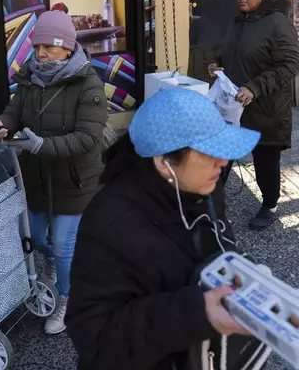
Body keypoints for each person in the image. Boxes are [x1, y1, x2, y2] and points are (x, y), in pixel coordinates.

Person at [66, 89, 271, 369]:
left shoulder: (205, 188)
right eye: (209, 151)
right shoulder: (109, 225)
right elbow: (96, 341)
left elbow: (218, 243)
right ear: (164, 163)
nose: (222, 162)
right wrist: (196, 313)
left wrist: (243, 274)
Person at [0, 10, 108, 335]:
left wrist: (41, 145)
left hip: (75, 181)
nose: (40, 54)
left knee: (64, 246)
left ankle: (69, 299)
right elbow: (15, 110)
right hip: (36, 178)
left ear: (67, 48)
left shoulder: (88, 84)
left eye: (49, 48)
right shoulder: (30, 76)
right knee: (34, 235)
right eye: (37, 46)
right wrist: (2, 124)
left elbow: (87, 138)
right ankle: (55, 264)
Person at [208, 0, 299, 231]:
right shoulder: (239, 19)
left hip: (266, 110)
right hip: (233, 108)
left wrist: (255, 87)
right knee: (220, 158)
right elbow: (233, 53)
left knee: (265, 163)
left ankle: (270, 205)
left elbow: (291, 64)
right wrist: (217, 65)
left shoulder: (278, 23)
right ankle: (210, 208)